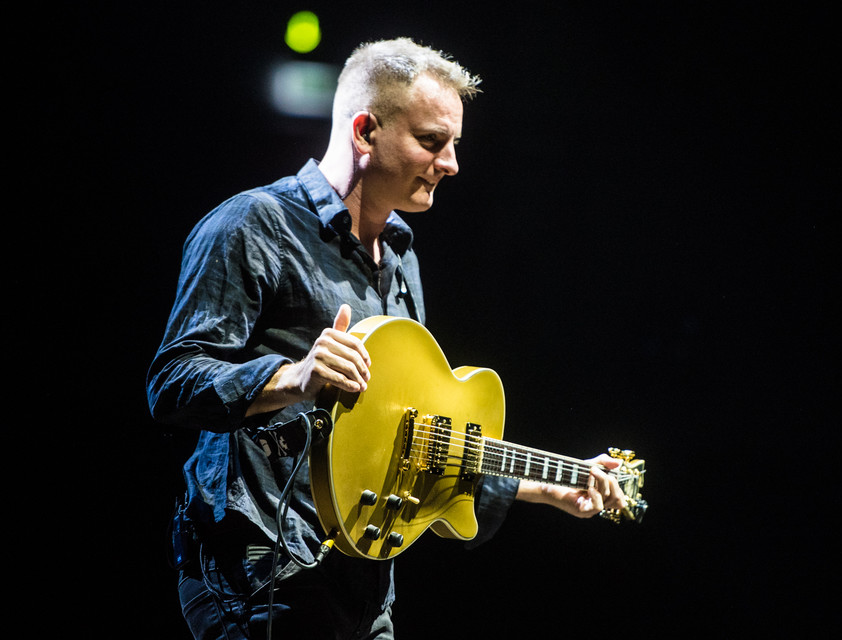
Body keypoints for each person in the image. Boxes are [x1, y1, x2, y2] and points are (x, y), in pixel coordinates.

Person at [147, 37, 628, 639]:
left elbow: (413, 439)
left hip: (364, 586)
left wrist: (549, 484)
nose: (451, 162)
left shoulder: (402, 258)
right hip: (263, 575)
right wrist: (294, 375)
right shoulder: (253, 225)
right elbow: (172, 383)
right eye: (432, 141)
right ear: (365, 131)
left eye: (454, 144)